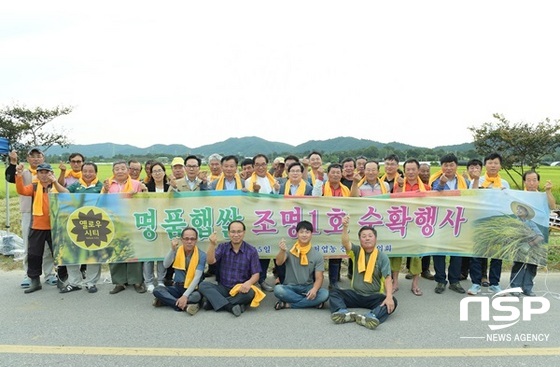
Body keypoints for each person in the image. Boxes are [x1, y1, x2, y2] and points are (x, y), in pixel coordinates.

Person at [329, 216, 397, 330]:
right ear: (360, 240)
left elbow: (387, 278)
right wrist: (345, 227)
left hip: (374, 297)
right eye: (363, 236)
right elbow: (346, 243)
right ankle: (343, 313)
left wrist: (389, 296)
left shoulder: (382, 257)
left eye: (370, 236)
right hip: (356, 294)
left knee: (392, 301)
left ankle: (371, 316)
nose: (367, 238)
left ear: (375, 239)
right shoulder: (356, 251)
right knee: (334, 292)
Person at [5, 148, 57, 288]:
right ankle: (29, 275)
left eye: (38, 156)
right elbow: (10, 178)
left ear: (43, 158)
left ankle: (49, 273)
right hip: (29, 211)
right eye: (32, 156)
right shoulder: (24, 172)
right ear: (27, 159)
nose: (35, 159)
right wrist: (14, 163)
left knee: (48, 247)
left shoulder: (48, 174)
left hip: (47, 215)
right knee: (30, 246)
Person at [15, 162, 68, 293]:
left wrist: (55, 182)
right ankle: (35, 281)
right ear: (37, 174)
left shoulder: (56, 186)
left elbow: (66, 193)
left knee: (59, 255)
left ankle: (62, 280)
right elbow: (21, 190)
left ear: (52, 174)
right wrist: (19, 176)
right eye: (41, 172)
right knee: (34, 255)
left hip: (54, 227)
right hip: (37, 227)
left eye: (47, 172)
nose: (44, 175)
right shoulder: (33, 187)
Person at [198, 221, 263, 317]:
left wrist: (248, 283)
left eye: (239, 231)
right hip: (223, 287)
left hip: (240, 289)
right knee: (203, 285)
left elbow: (256, 274)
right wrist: (212, 244)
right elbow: (210, 261)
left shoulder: (251, 250)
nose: (236, 235)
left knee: (251, 293)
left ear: (244, 232)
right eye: (233, 232)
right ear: (228, 233)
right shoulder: (222, 247)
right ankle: (230, 306)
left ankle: (214, 303)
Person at [56, 162, 104, 293]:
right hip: (76, 224)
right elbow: (65, 193)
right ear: (81, 172)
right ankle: (74, 282)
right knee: (71, 252)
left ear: (96, 173)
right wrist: (55, 182)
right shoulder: (75, 186)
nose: (88, 174)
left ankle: (91, 282)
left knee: (93, 253)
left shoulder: (101, 187)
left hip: (95, 224)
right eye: (85, 171)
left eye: (91, 171)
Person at [467, 152, 510, 295]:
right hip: (479, 221)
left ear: (500, 166)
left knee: (497, 255)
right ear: (485, 165)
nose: (493, 165)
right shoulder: (478, 181)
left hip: (497, 222)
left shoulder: (504, 184)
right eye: (490, 162)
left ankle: (495, 283)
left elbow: (508, 203)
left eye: (496, 163)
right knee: (477, 255)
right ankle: (475, 283)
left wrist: (505, 194)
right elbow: (470, 196)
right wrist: (476, 179)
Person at [102, 160, 147, 294]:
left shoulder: (136, 184)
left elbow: (145, 202)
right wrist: (105, 190)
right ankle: (119, 282)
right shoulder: (108, 185)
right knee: (116, 251)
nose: (120, 171)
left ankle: (136, 281)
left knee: (133, 251)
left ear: (128, 170)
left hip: (132, 222)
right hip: (113, 222)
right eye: (117, 169)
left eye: (123, 168)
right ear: (113, 172)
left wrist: (138, 196)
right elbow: (101, 202)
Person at [509, 171, 555, 296]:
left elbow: (552, 205)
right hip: (520, 236)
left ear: (538, 182)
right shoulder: (519, 195)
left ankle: (527, 287)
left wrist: (549, 191)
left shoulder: (542, 196)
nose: (531, 183)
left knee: (533, 262)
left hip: (537, 234)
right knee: (518, 261)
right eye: (528, 180)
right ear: (524, 182)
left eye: (534, 180)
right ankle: (515, 286)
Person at [428, 153, 468, 294]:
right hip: (441, 221)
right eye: (445, 165)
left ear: (456, 166)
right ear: (441, 166)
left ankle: (454, 281)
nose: (449, 168)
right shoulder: (436, 180)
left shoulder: (464, 181)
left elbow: (471, 196)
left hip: (458, 221)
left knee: (456, 253)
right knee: (439, 252)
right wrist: (442, 184)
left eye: (451, 165)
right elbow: (433, 195)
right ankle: (440, 280)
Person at [391, 158, 430, 296]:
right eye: (408, 169)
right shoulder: (398, 185)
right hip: (400, 224)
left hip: (417, 226)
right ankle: (395, 282)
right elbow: (396, 202)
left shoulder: (426, 188)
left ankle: (415, 284)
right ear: (404, 170)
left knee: (416, 255)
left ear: (418, 170)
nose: (411, 172)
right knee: (396, 254)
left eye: (414, 169)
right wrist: (401, 187)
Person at [273, 220, 329, 310]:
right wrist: (282, 251)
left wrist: (314, 290)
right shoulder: (290, 250)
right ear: (297, 234)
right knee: (278, 290)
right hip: (290, 287)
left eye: (307, 232)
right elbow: (279, 262)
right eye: (301, 232)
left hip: (308, 287)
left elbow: (319, 278)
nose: (304, 235)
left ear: (311, 234)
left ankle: (288, 304)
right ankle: (311, 303)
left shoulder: (317, 255)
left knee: (325, 294)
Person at [244, 154, 280, 292]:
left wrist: (277, 189)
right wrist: (255, 192)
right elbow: (249, 202)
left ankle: (262, 279)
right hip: (255, 222)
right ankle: (253, 279)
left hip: (270, 221)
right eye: (257, 164)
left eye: (263, 164)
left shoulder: (273, 181)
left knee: (266, 251)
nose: (260, 167)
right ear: (253, 167)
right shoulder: (248, 182)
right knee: (254, 252)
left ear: (267, 165)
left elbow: (277, 201)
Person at [152, 227, 207, 315]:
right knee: (157, 290)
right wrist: (172, 249)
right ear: (182, 240)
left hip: (193, 289)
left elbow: (197, 278)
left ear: (196, 240)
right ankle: (184, 306)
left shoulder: (202, 255)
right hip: (178, 286)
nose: (189, 241)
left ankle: (168, 301)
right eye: (186, 239)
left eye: (192, 239)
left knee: (196, 297)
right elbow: (166, 265)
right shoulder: (177, 251)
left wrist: (185, 296)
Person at [314, 163, 350, 289]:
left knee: (336, 254)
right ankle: (315, 280)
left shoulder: (346, 189)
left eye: (338, 172)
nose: (335, 175)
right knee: (318, 254)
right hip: (323, 225)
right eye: (332, 172)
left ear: (342, 174)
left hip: (339, 227)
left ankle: (333, 282)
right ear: (327, 174)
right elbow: (315, 196)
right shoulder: (322, 187)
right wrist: (318, 178)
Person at [143, 162, 170, 293]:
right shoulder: (146, 187)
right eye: (155, 171)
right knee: (149, 254)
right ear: (151, 174)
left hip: (165, 224)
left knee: (161, 253)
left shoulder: (169, 187)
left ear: (164, 172)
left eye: (160, 170)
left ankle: (160, 280)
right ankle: (148, 281)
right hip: (150, 223)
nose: (158, 173)